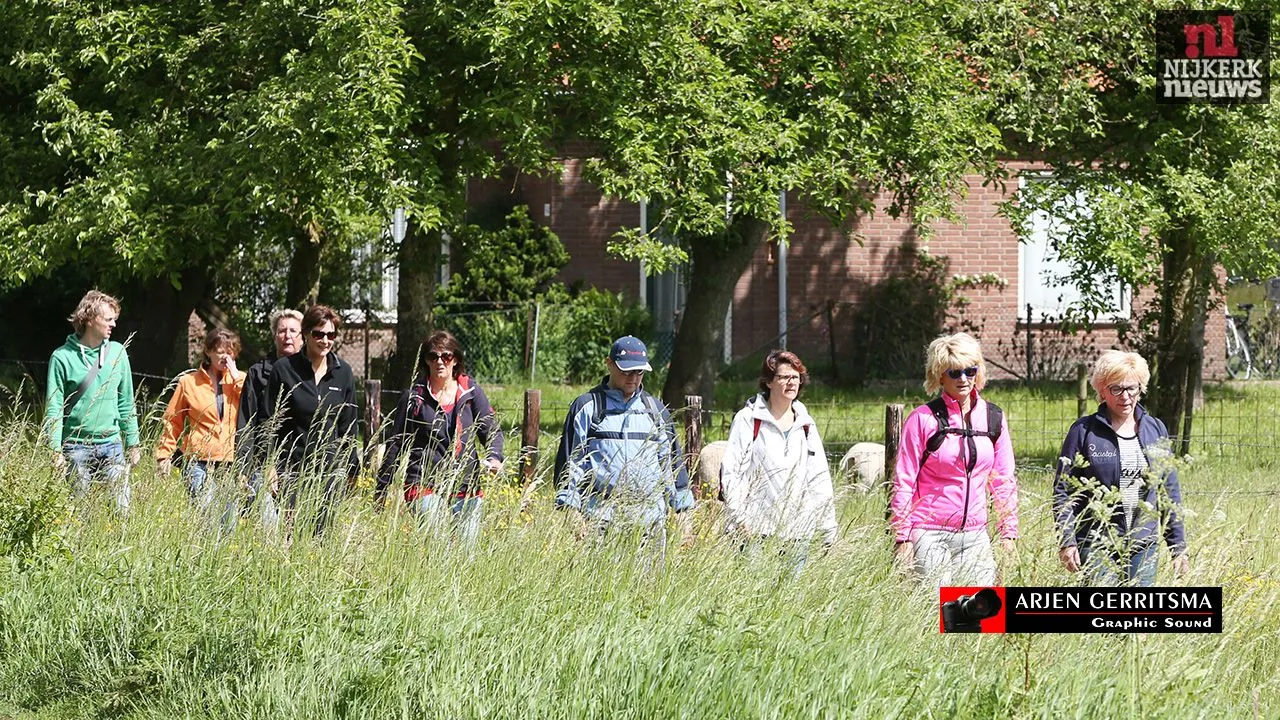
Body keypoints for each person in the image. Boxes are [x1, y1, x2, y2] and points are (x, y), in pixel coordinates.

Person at [890, 332, 1018, 585]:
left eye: (970, 371)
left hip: (975, 534)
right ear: (939, 375)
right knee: (937, 615)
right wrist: (902, 537)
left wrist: (1008, 533)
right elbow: (904, 480)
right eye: (954, 373)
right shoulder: (922, 419)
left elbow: (1003, 480)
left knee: (980, 617)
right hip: (929, 532)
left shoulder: (993, 418)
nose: (963, 379)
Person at [1054, 350, 1189, 586]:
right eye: (1116, 388)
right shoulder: (1083, 431)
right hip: (1097, 542)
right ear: (1102, 391)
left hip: (1143, 544)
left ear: (1141, 388)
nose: (1125, 396)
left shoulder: (1156, 429)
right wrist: (1067, 540)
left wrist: (1178, 548)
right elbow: (1063, 491)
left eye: (1132, 388)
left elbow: (1169, 491)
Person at [554, 336, 693, 560]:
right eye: (626, 371)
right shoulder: (587, 407)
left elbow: (672, 466)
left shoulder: (655, 410)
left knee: (649, 591)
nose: (633, 378)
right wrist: (571, 511)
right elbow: (570, 463)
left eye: (639, 372)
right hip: (600, 519)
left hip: (650, 522)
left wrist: (683, 513)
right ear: (609, 364)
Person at [375, 331, 503, 547]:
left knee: (466, 555)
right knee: (439, 548)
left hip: (466, 484)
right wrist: (382, 487)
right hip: (423, 482)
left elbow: (491, 431)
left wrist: (495, 457)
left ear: (456, 360)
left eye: (446, 356)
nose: (440, 362)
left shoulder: (471, 392)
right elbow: (395, 444)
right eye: (433, 356)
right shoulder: (414, 397)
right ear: (426, 360)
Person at [719, 350, 837, 570]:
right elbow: (732, 473)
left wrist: (828, 527)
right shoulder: (748, 419)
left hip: (798, 533)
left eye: (796, 377)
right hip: (754, 531)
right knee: (752, 598)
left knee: (792, 599)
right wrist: (740, 521)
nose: (791, 383)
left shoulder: (806, 424)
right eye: (784, 377)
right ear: (769, 382)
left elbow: (819, 477)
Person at [42, 290, 142, 514]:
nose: (114, 324)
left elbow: (127, 400)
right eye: (108, 319)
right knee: (80, 513)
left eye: (114, 319)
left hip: (112, 443)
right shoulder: (62, 357)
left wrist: (133, 443)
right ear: (89, 319)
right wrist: (54, 450)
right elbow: (54, 407)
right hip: (76, 446)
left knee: (122, 511)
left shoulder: (118, 353)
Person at [264, 304, 360, 537]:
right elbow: (269, 421)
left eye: (330, 335)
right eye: (318, 334)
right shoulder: (284, 370)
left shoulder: (343, 372)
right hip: (292, 468)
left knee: (321, 538)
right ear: (305, 334)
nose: (324, 340)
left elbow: (348, 426)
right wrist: (269, 466)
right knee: (290, 535)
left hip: (329, 471)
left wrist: (352, 469)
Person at [155, 328, 247, 518]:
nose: (225, 356)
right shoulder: (189, 382)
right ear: (208, 351)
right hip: (197, 461)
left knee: (228, 521)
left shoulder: (242, 380)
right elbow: (173, 420)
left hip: (230, 462)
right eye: (220, 351)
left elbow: (251, 409)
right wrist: (164, 454)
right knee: (208, 518)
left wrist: (236, 376)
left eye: (230, 351)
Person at [235, 309, 304, 529]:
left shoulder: (312, 374)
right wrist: (245, 467)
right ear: (274, 336)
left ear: (303, 336)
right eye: (282, 331)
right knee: (269, 527)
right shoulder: (257, 373)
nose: (288, 336)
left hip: (301, 460)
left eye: (294, 331)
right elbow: (246, 422)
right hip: (266, 462)